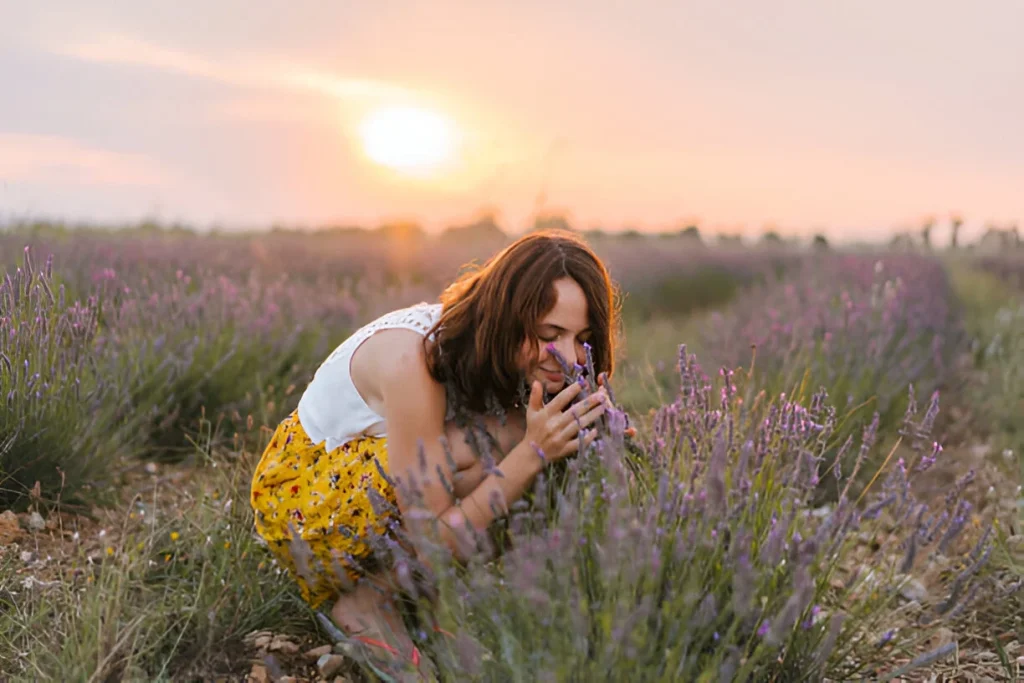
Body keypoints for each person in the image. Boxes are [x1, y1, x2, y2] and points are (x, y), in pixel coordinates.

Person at [249, 229, 620, 672]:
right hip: (304, 503)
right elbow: (431, 541)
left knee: (558, 434)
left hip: (374, 486)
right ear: (507, 317)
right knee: (510, 440)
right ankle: (368, 602)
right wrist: (531, 453)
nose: (566, 355)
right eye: (549, 334)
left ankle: (416, 596)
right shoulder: (415, 359)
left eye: (582, 339)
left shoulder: (495, 349)